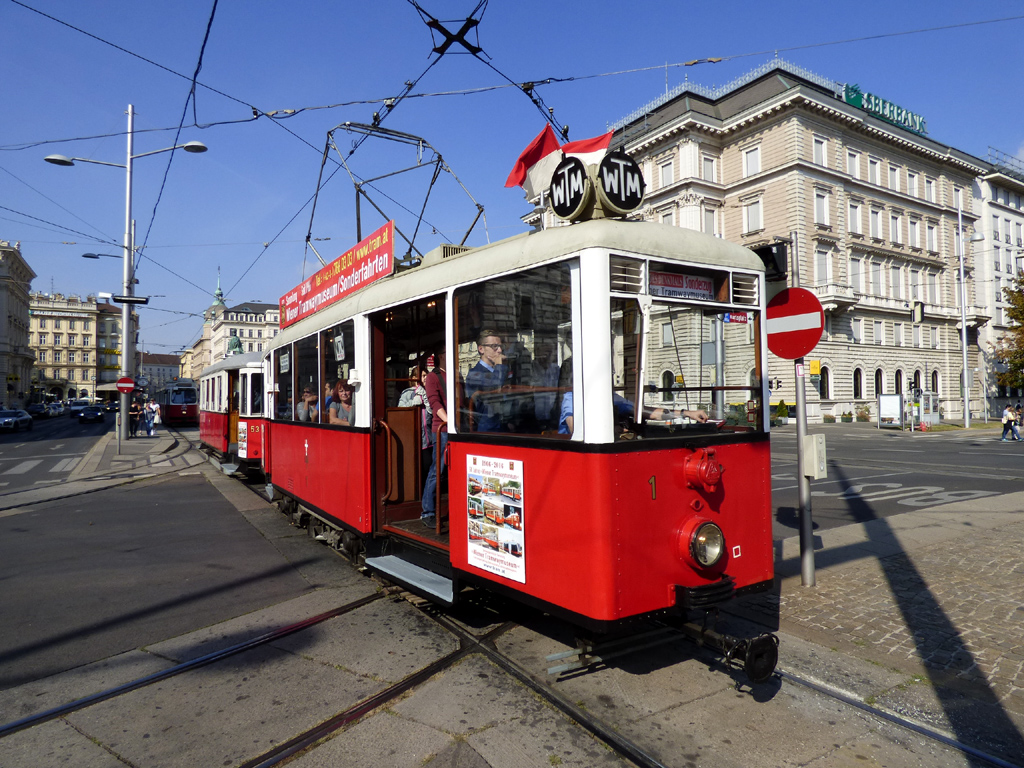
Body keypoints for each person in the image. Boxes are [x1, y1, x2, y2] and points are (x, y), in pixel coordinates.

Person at [558, 390, 709, 435]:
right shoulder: (572, 397)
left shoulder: (612, 397)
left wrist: (687, 413)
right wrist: (614, 430)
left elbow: (647, 412)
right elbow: (575, 430)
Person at [421, 351, 448, 528]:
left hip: (455, 429)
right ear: (441, 356)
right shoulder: (433, 376)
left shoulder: (455, 374)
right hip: (443, 429)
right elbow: (434, 402)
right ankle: (427, 512)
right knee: (437, 469)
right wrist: (448, 420)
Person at [463, 329, 509, 432]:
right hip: (488, 429)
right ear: (481, 349)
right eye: (494, 347)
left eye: (500, 346)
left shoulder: (500, 369)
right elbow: (494, 388)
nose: (499, 351)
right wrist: (500, 366)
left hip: (503, 425)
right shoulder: (475, 374)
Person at [398, 363, 432, 451]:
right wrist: (412, 402)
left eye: (427, 375)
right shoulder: (407, 392)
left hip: (429, 437)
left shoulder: (428, 392)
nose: (426, 378)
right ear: (414, 378)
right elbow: (400, 410)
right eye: (423, 376)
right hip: (413, 436)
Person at [531, 341, 561, 431]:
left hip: (553, 418)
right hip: (533, 418)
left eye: (550, 352)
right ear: (537, 352)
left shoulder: (556, 369)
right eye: (544, 352)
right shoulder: (530, 368)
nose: (547, 355)